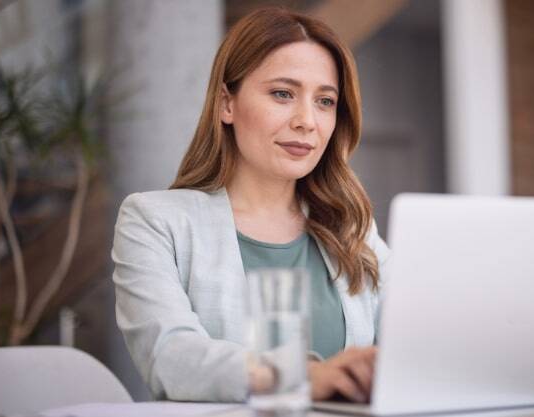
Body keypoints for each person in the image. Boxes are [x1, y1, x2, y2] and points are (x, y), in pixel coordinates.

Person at [111, 6, 389, 403]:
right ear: (227, 103)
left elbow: (414, 338)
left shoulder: (352, 229)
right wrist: (305, 376)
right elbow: (170, 357)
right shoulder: (155, 221)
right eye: (282, 94)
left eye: (325, 101)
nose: (307, 121)